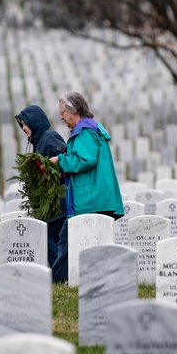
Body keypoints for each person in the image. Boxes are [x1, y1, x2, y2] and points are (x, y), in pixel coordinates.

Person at [49, 91, 124, 283]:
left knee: (67, 238)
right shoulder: (90, 129)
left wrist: (61, 159)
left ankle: (56, 280)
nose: (61, 117)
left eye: (62, 112)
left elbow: (86, 160)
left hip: (89, 197)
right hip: (95, 196)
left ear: (73, 110)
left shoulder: (84, 132)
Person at [15, 104, 67, 269]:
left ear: (35, 122)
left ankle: (58, 272)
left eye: (25, 124)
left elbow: (62, 159)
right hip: (51, 200)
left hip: (58, 199)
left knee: (43, 234)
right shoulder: (39, 141)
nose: (23, 128)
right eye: (21, 124)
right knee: (56, 238)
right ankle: (62, 273)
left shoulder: (49, 137)